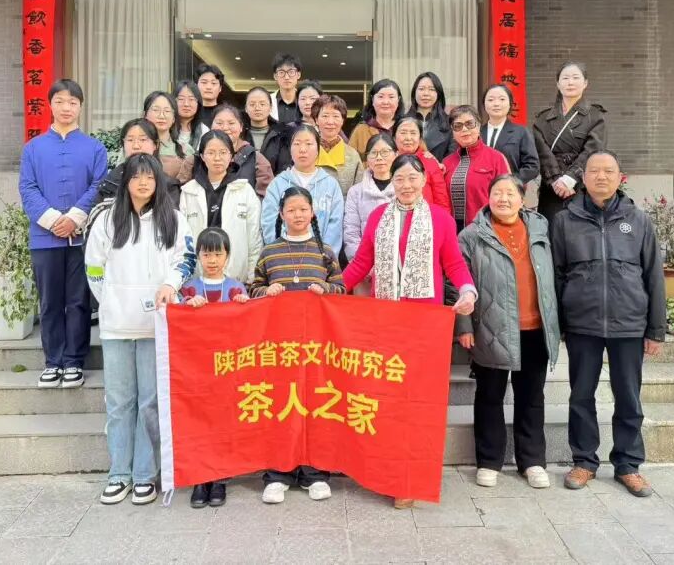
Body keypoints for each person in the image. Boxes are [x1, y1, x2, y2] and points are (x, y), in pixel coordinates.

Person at [342, 153, 477, 509]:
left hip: (424, 326)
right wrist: (333, 289)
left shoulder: (441, 219)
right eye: (399, 178)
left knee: (418, 402)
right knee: (387, 398)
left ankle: (412, 476)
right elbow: (362, 263)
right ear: (391, 181)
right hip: (385, 321)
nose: (405, 185)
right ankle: (388, 471)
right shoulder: (378, 217)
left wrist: (467, 291)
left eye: (412, 178)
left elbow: (453, 263)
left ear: (424, 180)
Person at [552, 151, 665, 498]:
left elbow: (654, 276)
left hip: (628, 323)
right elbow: (556, 276)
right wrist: (558, 326)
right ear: (583, 178)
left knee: (628, 397)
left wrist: (655, 329)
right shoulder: (565, 220)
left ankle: (628, 464)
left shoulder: (638, 220)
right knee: (581, 396)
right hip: (582, 324)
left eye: (608, 171)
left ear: (620, 177)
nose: (601, 177)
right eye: (594, 171)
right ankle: (584, 461)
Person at [85, 153, 195, 507]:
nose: (143, 182)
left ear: (158, 181)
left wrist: (170, 285)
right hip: (116, 325)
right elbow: (94, 268)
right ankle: (119, 473)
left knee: (150, 402)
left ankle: (145, 474)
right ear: (126, 181)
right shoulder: (107, 220)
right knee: (119, 402)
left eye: (150, 176)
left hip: (155, 326)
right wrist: (110, 300)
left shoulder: (172, 219)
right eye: (136, 176)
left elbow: (185, 258)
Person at [451, 175, 559, 490]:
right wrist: (464, 325)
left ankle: (533, 461)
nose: (503, 199)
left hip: (535, 328)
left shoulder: (540, 228)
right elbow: (456, 282)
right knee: (489, 396)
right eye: (497, 193)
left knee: (532, 397)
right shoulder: (472, 235)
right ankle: (489, 461)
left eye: (510, 193)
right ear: (488, 198)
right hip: (490, 328)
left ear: (522, 199)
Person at [252, 186, 346, 505]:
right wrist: (266, 292)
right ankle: (278, 474)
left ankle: (314, 473)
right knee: (281, 405)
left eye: (303, 209)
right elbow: (254, 289)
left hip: (317, 347)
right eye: (291, 210)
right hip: (279, 348)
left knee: (315, 405)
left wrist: (326, 289)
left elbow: (341, 289)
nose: (297, 215)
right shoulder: (270, 252)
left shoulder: (325, 252)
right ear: (281, 215)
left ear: (313, 212)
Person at [19, 79, 108, 390]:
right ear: (50, 105)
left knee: (78, 300)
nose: (66, 107)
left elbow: (99, 186)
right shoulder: (33, 148)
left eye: (72, 102)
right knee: (49, 302)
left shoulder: (95, 148)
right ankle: (53, 361)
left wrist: (74, 218)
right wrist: (54, 220)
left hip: (81, 238)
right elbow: (27, 188)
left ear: (80, 106)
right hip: (44, 239)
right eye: (60, 101)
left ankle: (73, 361)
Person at [181, 227, 250, 510]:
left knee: (223, 421)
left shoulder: (236, 288)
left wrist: (244, 307)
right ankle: (200, 478)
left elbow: (248, 325)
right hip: (196, 370)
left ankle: (220, 476)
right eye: (206, 254)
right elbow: (175, 318)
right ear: (198, 256)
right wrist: (186, 306)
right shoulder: (188, 289)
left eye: (218, 254)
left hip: (227, 369)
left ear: (227, 256)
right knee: (198, 422)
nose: (212, 260)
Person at [179, 131, 262, 285]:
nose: (217, 158)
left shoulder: (244, 190)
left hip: (236, 280)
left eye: (223, 152)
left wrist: (252, 277)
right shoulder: (189, 192)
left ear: (231, 156)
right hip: (197, 282)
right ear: (202, 156)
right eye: (211, 153)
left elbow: (254, 238)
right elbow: (184, 240)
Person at [533, 61, 607, 223]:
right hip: (552, 189)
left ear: (585, 83)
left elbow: (593, 151)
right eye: (565, 78)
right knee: (552, 231)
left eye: (575, 77)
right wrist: (556, 180)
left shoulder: (595, 116)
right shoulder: (543, 118)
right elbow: (542, 152)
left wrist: (570, 178)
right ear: (558, 84)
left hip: (581, 186)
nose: (570, 82)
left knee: (581, 233)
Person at [261, 125, 344, 257]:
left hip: (320, 261)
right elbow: (269, 223)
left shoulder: (331, 185)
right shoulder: (277, 184)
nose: (303, 149)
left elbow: (335, 227)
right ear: (290, 149)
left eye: (309, 144)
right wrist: (283, 255)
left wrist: (323, 257)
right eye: (297, 144)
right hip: (283, 259)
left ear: (318, 149)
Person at [442, 105, 511, 232]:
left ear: (478, 126)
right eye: (457, 126)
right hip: (453, 233)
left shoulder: (496, 158)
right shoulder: (447, 162)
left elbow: (507, 196)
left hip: (486, 231)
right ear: (453, 132)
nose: (464, 129)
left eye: (469, 124)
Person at [93, 119, 181, 212]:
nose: (136, 146)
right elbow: (98, 215)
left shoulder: (168, 185)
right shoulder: (110, 182)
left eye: (142, 140)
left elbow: (171, 217)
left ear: (155, 144)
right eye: (130, 140)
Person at [343, 133, 396, 263]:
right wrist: (362, 264)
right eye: (373, 153)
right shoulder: (355, 192)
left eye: (385, 152)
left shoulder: (405, 190)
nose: (379, 158)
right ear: (367, 158)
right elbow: (351, 234)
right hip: (364, 264)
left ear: (396, 154)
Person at [211, 104, 274, 198]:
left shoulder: (256, 158)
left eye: (231, 123)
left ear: (241, 127)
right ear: (211, 126)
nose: (225, 127)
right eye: (219, 123)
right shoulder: (199, 157)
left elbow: (267, 196)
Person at [481, 84, 539, 186]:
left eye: (502, 99)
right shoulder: (476, 133)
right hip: (480, 189)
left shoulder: (521, 132)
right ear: (484, 104)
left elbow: (532, 166)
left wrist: (513, 181)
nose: (496, 104)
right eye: (491, 100)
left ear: (510, 104)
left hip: (509, 189)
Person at [392, 116, 451, 212]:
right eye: (403, 133)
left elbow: (442, 201)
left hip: (426, 218)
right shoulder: (387, 162)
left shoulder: (430, 162)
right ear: (394, 138)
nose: (408, 138)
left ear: (420, 139)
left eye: (413, 133)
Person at [313, 94, 362, 199]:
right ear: (316, 119)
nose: (330, 122)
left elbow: (359, 192)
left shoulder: (352, 154)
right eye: (325, 116)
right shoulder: (307, 151)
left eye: (336, 116)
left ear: (342, 120)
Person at [142, 90, 194, 183]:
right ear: (145, 114)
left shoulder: (186, 150)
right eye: (156, 110)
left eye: (167, 111)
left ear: (174, 118)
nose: (162, 116)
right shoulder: (135, 145)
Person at [349, 79, 404, 158]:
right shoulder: (361, 130)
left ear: (398, 100)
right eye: (380, 97)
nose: (385, 102)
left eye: (391, 97)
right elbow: (351, 160)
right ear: (372, 99)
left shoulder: (407, 127)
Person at [407, 72, 452, 161]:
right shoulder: (402, 121)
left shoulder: (450, 123)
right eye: (421, 89)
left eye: (431, 89)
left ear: (438, 94)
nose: (426, 93)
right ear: (414, 92)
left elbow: (452, 157)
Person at [245, 86, 291, 173]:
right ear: (246, 108)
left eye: (262, 104)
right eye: (252, 104)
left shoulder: (282, 135)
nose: (257, 108)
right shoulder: (239, 133)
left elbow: (285, 167)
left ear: (270, 108)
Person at [174, 80, 206, 157]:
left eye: (191, 99)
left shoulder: (204, 131)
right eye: (181, 99)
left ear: (198, 103)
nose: (186, 104)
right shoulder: (166, 127)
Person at [269, 52, 302, 125]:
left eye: (291, 72)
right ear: (275, 76)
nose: (286, 77)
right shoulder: (267, 101)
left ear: (298, 75)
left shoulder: (304, 101)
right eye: (281, 72)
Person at [195, 63, 226, 128]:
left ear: (220, 88)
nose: (208, 87)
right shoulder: (190, 110)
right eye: (204, 82)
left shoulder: (226, 112)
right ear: (196, 85)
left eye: (213, 83)